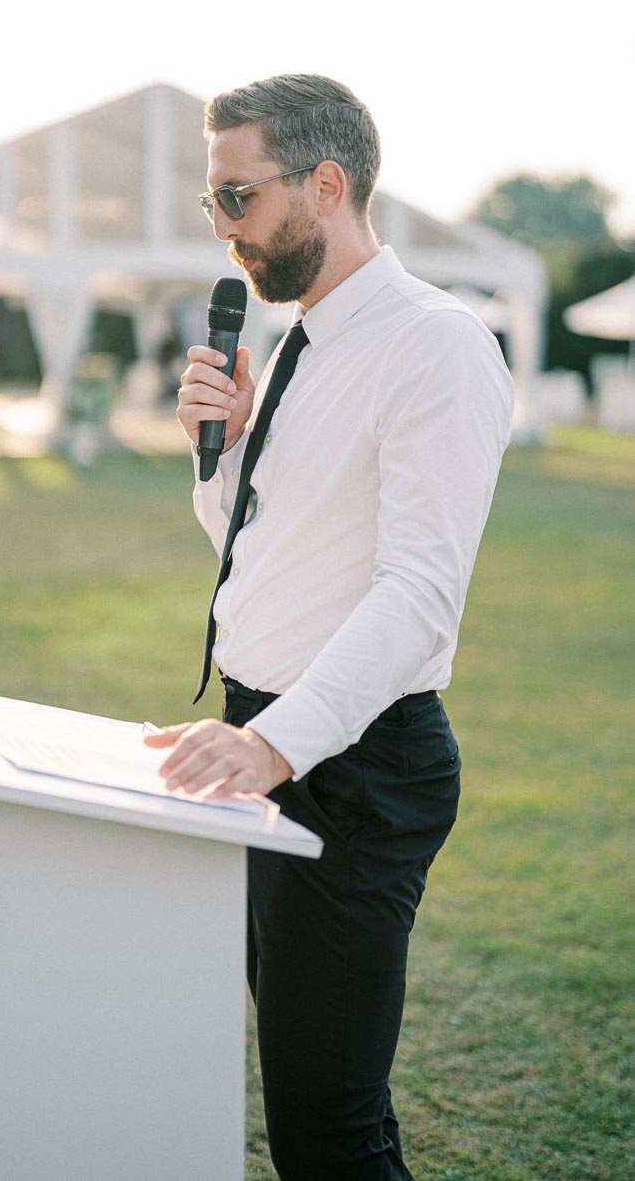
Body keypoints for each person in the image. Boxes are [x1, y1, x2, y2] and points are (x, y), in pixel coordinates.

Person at [143, 74, 514, 1180]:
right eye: (210, 204)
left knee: (329, 1133)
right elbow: (258, 547)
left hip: (355, 767)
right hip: (276, 743)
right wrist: (219, 452)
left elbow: (416, 596)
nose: (223, 234)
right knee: (309, 1105)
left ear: (327, 183)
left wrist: (273, 744)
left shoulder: (434, 344)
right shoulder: (306, 341)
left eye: (237, 199)